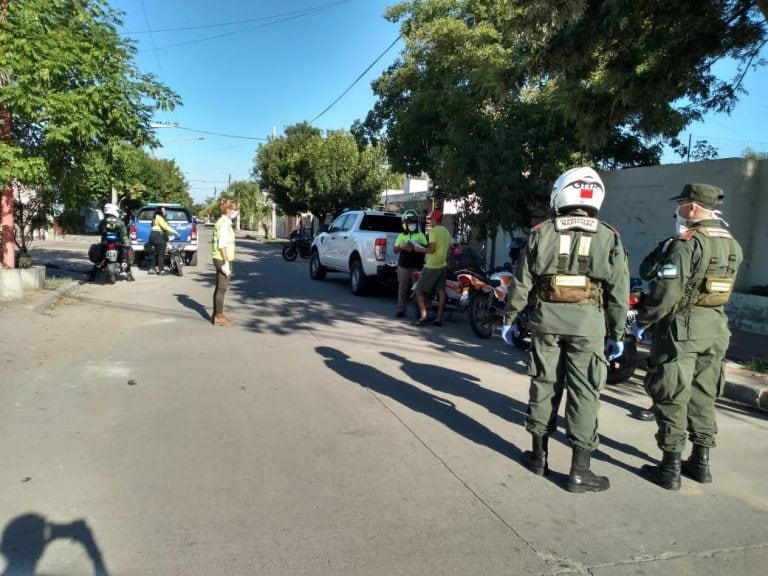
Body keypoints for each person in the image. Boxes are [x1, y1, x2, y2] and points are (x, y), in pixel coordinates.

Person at [500, 167, 629, 493]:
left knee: (544, 386)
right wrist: (618, 334)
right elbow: (619, 293)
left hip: (547, 322)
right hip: (589, 326)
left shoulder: (542, 232)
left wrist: (509, 318)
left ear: (561, 193)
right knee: (585, 394)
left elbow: (521, 282)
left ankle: (538, 457)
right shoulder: (608, 236)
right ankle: (579, 472)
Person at [633, 184, 743, 490]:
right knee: (704, 395)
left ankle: (670, 468)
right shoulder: (732, 243)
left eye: (681, 203)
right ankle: (701, 463)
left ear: (693, 207)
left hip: (682, 327)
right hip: (717, 327)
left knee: (672, 394)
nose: (679, 209)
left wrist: (642, 319)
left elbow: (667, 291)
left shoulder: (688, 242)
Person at [634, 235, 677, 422]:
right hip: (671, 314)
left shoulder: (717, 244)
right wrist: (662, 252)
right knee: (662, 364)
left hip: (685, 314)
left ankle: (666, 409)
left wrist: (643, 321)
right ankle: (659, 405)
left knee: (670, 366)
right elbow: (646, 272)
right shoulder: (671, 244)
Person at [412, 209, 452, 326]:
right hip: (443, 265)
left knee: (418, 291)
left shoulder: (433, 232)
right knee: (441, 292)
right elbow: (449, 249)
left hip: (431, 266)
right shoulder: (447, 232)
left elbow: (432, 249)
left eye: (430, 220)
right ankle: (438, 319)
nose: (430, 222)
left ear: (435, 219)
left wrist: (419, 249)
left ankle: (423, 317)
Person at [393, 210, 428, 318]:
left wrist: (418, 246)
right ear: (406, 224)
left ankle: (418, 311)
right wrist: (401, 246)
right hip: (403, 265)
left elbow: (426, 248)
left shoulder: (420, 235)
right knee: (402, 288)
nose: (412, 225)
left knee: (417, 289)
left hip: (416, 266)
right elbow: (395, 250)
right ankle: (401, 309)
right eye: (410, 224)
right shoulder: (401, 236)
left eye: (414, 223)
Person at [211, 198, 238, 326]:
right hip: (222, 258)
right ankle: (218, 316)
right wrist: (226, 262)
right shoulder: (223, 223)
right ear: (228, 210)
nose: (235, 211)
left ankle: (217, 314)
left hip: (221, 258)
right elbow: (222, 245)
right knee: (222, 288)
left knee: (219, 287)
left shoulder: (225, 222)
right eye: (234, 208)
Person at [94, 202, 134, 281]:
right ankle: (129, 274)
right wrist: (126, 243)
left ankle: (92, 275)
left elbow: (99, 230)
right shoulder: (120, 222)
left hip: (105, 243)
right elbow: (124, 234)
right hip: (118, 244)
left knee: (99, 259)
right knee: (126, 256)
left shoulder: (103, 222)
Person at [148, 205, 178, 275]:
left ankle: (152, 269)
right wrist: (175, 232)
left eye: (165, 210)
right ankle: (161, 271)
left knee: (156, 253)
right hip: (158, 236)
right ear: (159, 211)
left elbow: (153, 226)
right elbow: (165, 227)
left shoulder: (154, 217)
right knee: (161, 255)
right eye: (163, 210)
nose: (164, 211)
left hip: (152, 236)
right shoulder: (159, 217)